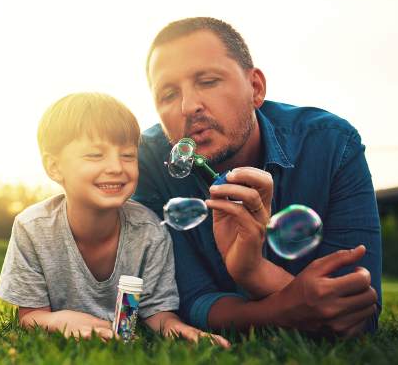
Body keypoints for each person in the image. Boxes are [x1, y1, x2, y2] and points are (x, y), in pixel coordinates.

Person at [132, 17, 382, 337]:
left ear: (256, 88)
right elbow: (189, 299)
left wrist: (254, 272)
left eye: (208, 81)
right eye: (167, 94)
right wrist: (281, 307)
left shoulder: (332, 145)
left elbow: (358, 315)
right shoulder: (147, 160)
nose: (188, 106)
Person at [0, 92, 230, 346]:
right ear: (54, 167)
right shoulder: (32, 228)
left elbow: (158, 313)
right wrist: (59, 320)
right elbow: (30, 315)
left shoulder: (150, 231)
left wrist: (180, 330)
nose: (116, 167)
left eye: (128, 156)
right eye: (95, 155)